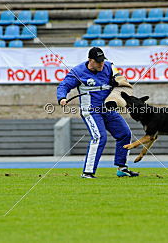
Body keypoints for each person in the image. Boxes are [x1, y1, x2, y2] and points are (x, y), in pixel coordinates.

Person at [57, 47, 139, 179]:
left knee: (125, 133)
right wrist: (62, 97)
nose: (102, 64)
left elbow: (119, 78)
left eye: (102, 61)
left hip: (108, 109)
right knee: (99, 137)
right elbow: (64, 85)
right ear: (91, 61)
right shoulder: (78, 72)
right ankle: (88, 172)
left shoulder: (109, 66)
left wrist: (119, 83)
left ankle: (122, 168)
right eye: (98, 62)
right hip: (90, 111)